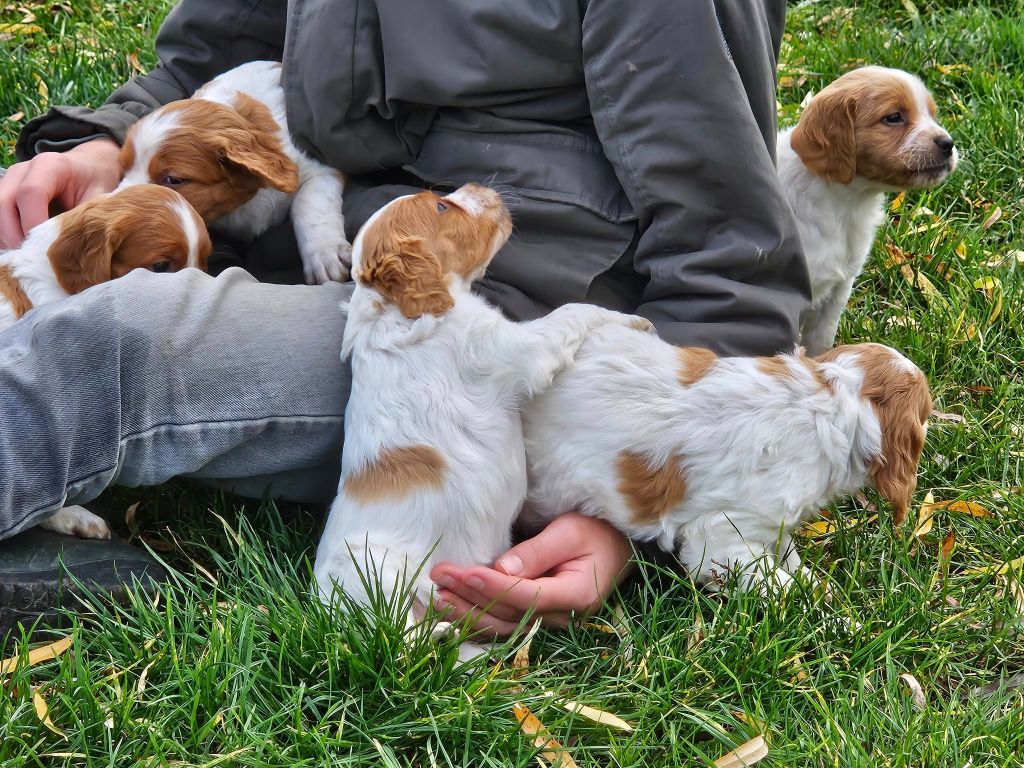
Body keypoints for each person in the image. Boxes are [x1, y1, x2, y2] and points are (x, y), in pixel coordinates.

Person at [0, 0, 809, 639]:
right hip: (323, 229)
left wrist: (632, 504)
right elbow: (216, 48)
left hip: (492, 309)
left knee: (122, 336)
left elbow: (729, 246)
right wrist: (111, 142)